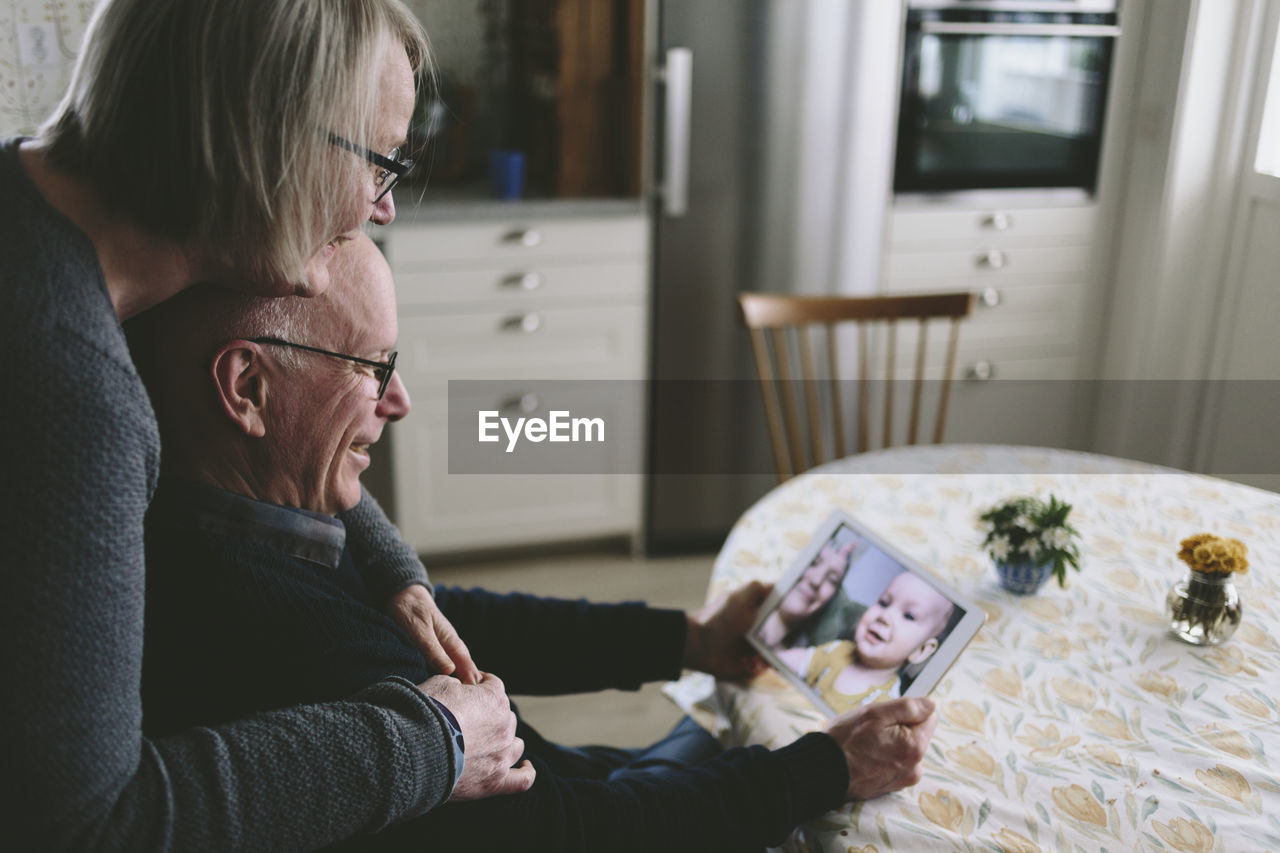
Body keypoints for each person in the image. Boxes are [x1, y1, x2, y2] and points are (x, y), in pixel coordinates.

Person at [129, 234, 941, 852]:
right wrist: (823, 769)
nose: (400, 400)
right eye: (372, 366)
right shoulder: (279, 635)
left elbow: (451, 624)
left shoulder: (249, 518)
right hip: (587, 814)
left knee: (725, 735)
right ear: (247, 388)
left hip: (575, 781)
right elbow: (577, 831)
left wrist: (689, 639)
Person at [0, 2, 530, 850]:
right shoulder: (64, 388)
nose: (381, 209)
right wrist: (431, 741)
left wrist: (384, 558)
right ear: (270, 138)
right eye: (379, 164)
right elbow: (87, 823)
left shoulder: (48, 234)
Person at [783, 572, 955, 713]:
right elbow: (793, 660)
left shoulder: (886, 706)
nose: (884, 616)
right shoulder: (837, 650)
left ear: (921, 650)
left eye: (908, 616)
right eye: (883, 603)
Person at [754, 539, 857, 649]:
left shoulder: (802, 660)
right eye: (813, 562)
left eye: (832, 579)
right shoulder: (740, 616)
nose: (816, 580)